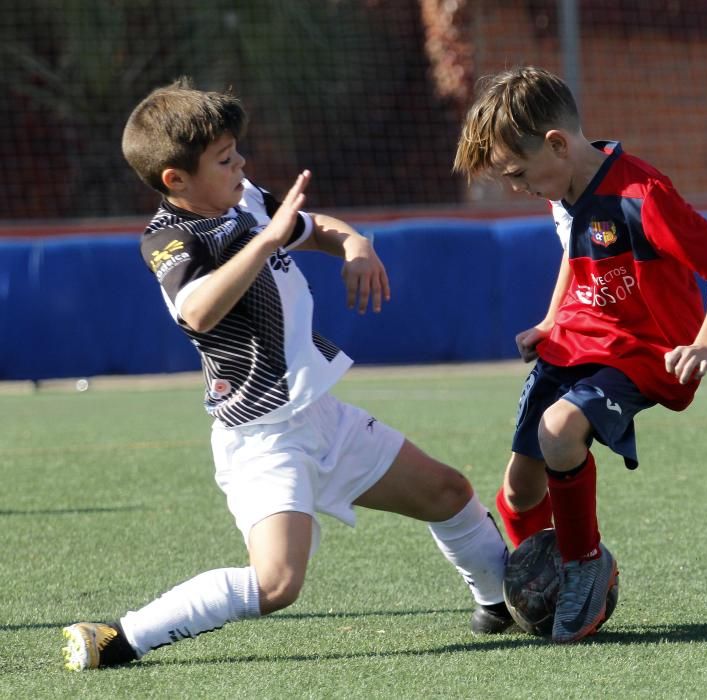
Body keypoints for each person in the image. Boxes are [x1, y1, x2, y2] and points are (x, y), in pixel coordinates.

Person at [61, 77, 512, 671]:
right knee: (277, 584)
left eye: (237, 151)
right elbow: (196, 310)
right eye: (224, 159)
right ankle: (118, 637)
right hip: (261, 435)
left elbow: (314, 227)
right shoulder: (169, 238)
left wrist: (355, 244)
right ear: (176, 180)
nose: (241, 163)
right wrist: (266, 240)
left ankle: (504, 603)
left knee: (450, 493)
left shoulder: (246, 199)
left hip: (320, 415)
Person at [453, 66, 707, 644]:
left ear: (556, 144)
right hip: (575, 339)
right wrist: (549, 319)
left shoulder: (644, 196)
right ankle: (537, 584)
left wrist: (706, 343)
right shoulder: (561, 184)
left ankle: (585, 566)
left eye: (516, 173)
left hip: (642, 351)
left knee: (559, 430)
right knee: (518, 493)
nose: (516, 186)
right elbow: (574, 249)